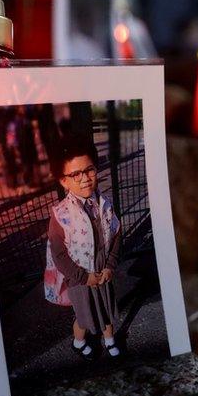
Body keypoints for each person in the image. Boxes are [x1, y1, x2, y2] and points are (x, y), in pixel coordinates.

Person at [44, 141, 122, 359]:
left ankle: (110, 340)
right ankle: (78, 342)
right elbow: (59, 255)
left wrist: (110, 265)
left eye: (89, 170)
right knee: (84, 316)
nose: (85, 178)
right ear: (64, 181)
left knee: (106, 307)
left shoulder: (105, 204)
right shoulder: (60, 215)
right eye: (76, 174)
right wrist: (82, 277)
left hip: (102, 268)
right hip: (79, 276)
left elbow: (116, 233)